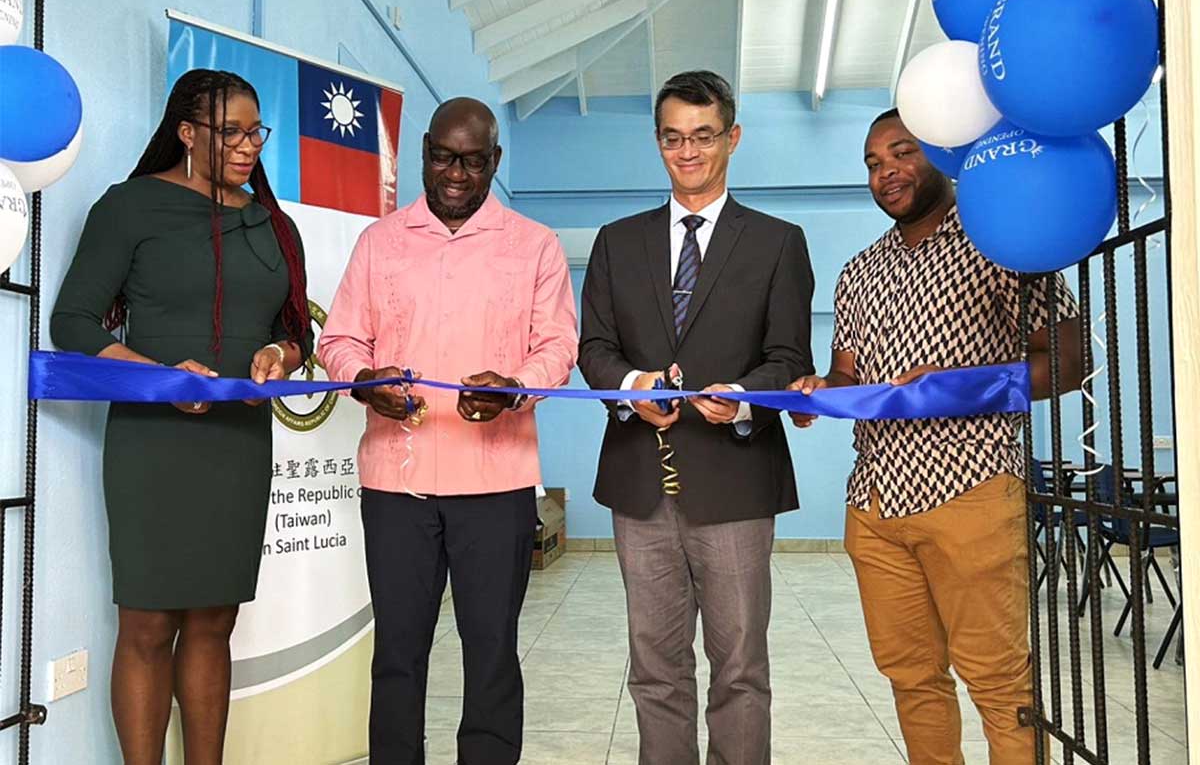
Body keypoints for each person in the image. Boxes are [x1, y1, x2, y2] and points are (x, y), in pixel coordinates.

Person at [788, 108, 1082, 765]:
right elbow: (848, 376)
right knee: (911, 679)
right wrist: (818, 396)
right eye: (872, 162)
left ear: (942, 157)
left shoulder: (1002, 243)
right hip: (876, 505)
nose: (886, 172)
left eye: (901, 152)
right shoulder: (859, 273)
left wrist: (967, 384)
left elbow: (1068, 357)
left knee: (1000, 684)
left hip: (971, 491)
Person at [50, 69, 313, 765]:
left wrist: (280, 352)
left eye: (256, 131)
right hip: (154, 441)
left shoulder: (271, 221)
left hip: (237, 441)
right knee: (147, 622)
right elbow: (72, 321)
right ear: (188, 132)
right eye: (231, 132)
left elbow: (298, 332)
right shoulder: (130, 208)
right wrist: (156, 377)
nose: (248, 145)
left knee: (213, 622)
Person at [318, 97, 577, 765]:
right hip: (395, 484)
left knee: (491, 649)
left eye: (472, 160)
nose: (455, 174)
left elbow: (557, 349)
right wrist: (363, 378)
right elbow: (339, 338)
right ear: (424, 152)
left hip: (497, 482)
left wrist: (514, 390)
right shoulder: (381, 242)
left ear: (495, 160)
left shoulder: (535, 246)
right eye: (442, 157)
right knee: (398, 652)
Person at [578, 70, 814, 765]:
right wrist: (631, 385)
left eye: (704, 137)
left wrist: (741, 395)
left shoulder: (776, 242)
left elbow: (788, 356)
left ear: (732, 138)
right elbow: (594, 349)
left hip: (736, 483)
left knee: (739, 669)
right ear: (658, 142)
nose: (689, 152)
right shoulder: (617, 242)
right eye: (674, 138)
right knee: (655, 670)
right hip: (638, 485)